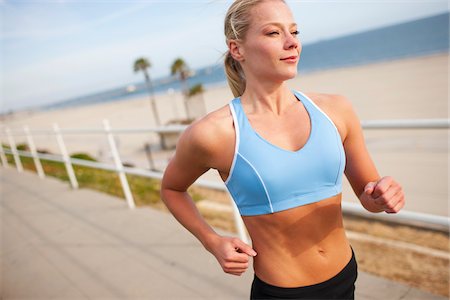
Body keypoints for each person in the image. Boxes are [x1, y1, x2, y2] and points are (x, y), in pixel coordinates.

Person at [160, 0, 405, 299]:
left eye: (294, 31)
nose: (292, 43)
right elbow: (172, 188)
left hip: (346, 277)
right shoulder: (215, 133)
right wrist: (212, 241)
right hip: (282, 293)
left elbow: (369, 197)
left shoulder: (336, 110)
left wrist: (382, 194)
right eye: (273, 33)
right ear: (237, 49)